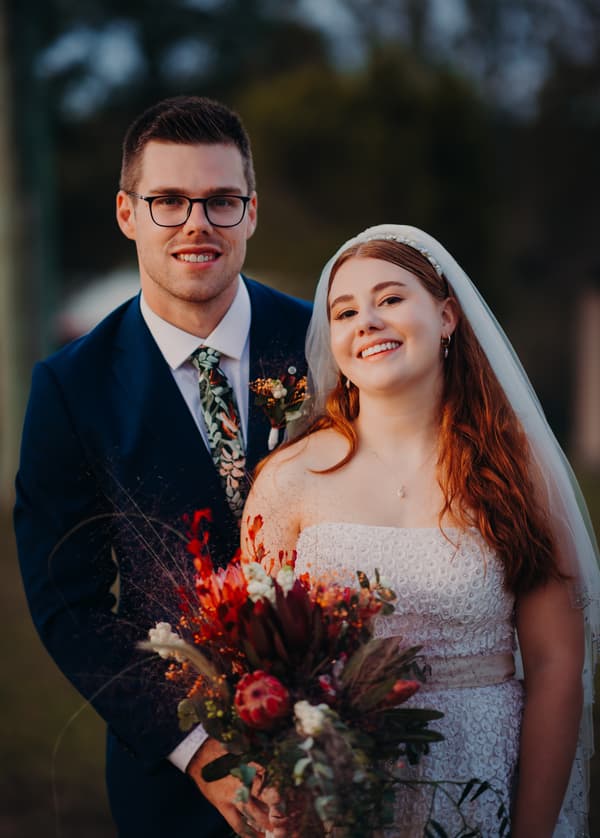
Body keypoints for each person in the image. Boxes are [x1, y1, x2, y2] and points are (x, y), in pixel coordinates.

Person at [14, 95, 312, 837]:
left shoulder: (323, 346)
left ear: (252, 213)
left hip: (348, 753)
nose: (196, 223)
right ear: (127, 213)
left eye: (220, 201)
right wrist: (202, 753)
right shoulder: (70, 387)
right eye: (168, 201)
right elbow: (68, 604)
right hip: (173, 784)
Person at [242, 224, 600, 836]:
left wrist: (532, 828)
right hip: (340, 792)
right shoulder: (288, 478)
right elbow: (253, 666)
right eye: (346, 310)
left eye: (390, 299)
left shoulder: (515, 473)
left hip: (485, 785)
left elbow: (556, 661)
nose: (368, 321)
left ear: (447, 316)